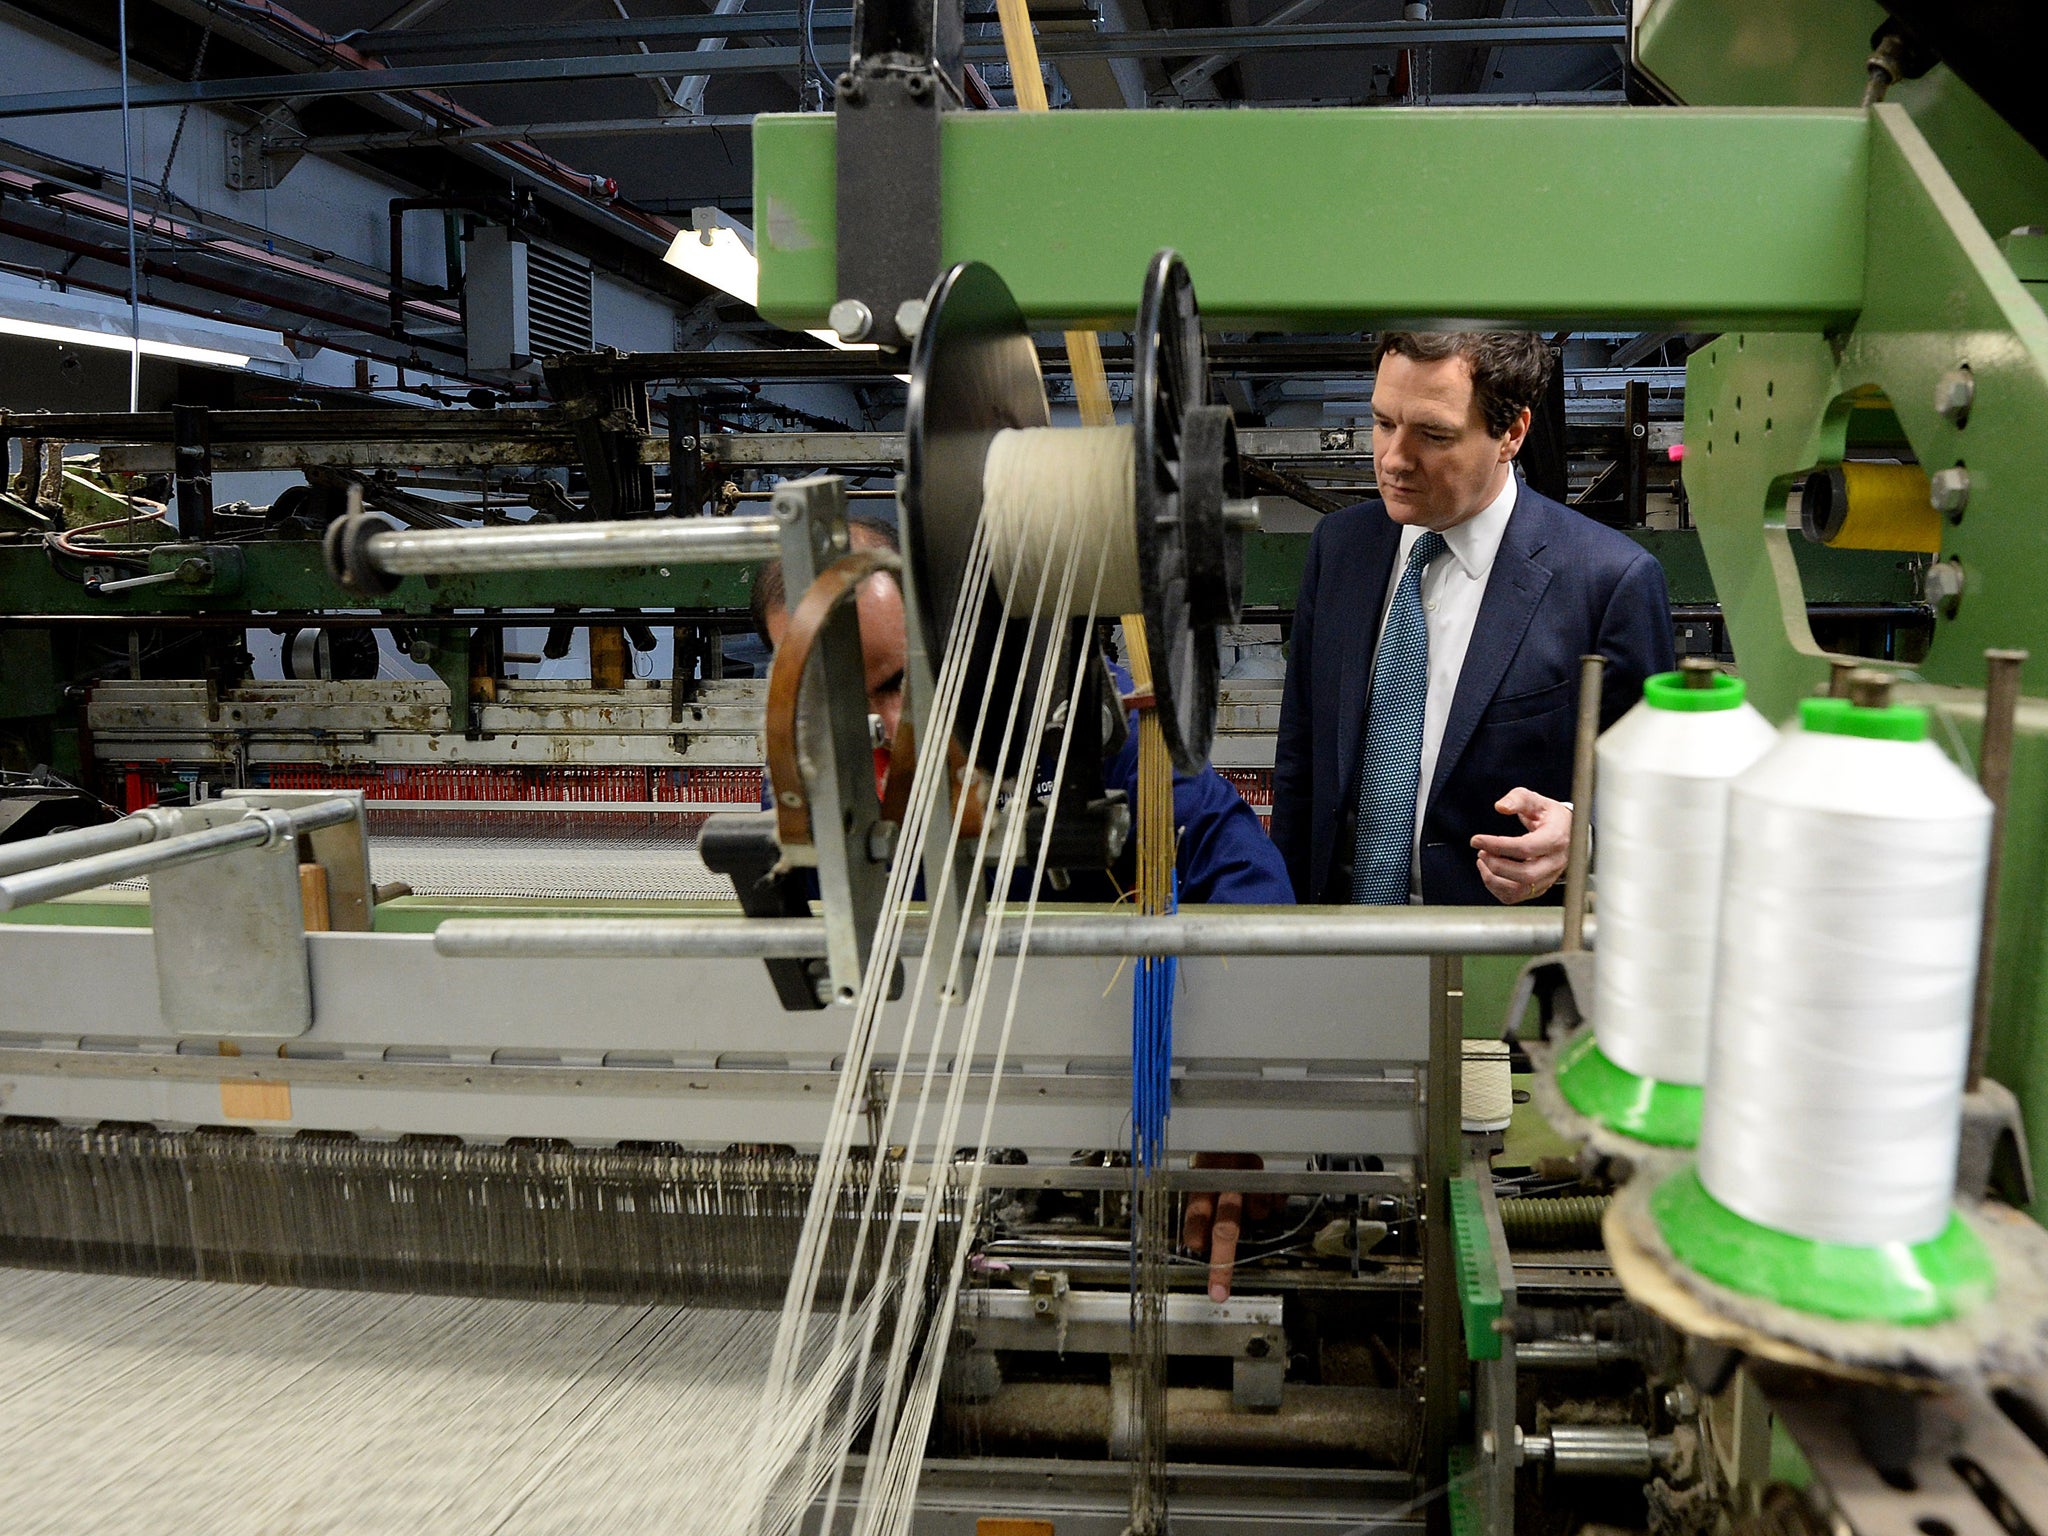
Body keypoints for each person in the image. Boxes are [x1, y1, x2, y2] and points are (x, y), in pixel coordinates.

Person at [1271, 333, 1674, 907]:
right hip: (1338, 937)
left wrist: (1580, 834)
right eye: (1384, 423)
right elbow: (1301, 762)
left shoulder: (1608, 581)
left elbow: (1656, 792)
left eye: (1434, 435)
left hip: (1498, 950)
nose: (1393, 459)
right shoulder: (1341, 549)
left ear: (1511, 434)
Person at [749, 515, 1294, 907]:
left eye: (898, 682)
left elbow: (1247, 888)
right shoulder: (808, 778)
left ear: (941, 636)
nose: (888, 729)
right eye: (837, 704)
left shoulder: (1089, 721)